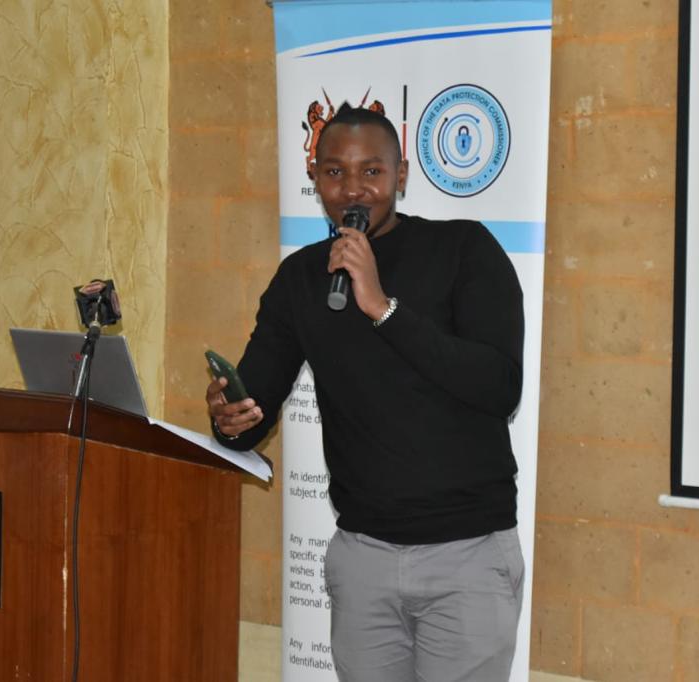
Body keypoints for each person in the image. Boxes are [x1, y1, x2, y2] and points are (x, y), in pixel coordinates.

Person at [206, 103, 525, 682]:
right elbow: (256, 407)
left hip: (467, 556)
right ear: (315, 180)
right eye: (334, 172)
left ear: (401, 177)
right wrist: (230, 416)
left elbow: (499, 386)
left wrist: (382, 307)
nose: (352, 188)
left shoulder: (465, 250)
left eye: (371, 172)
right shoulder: (302, 278)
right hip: (363, 559)